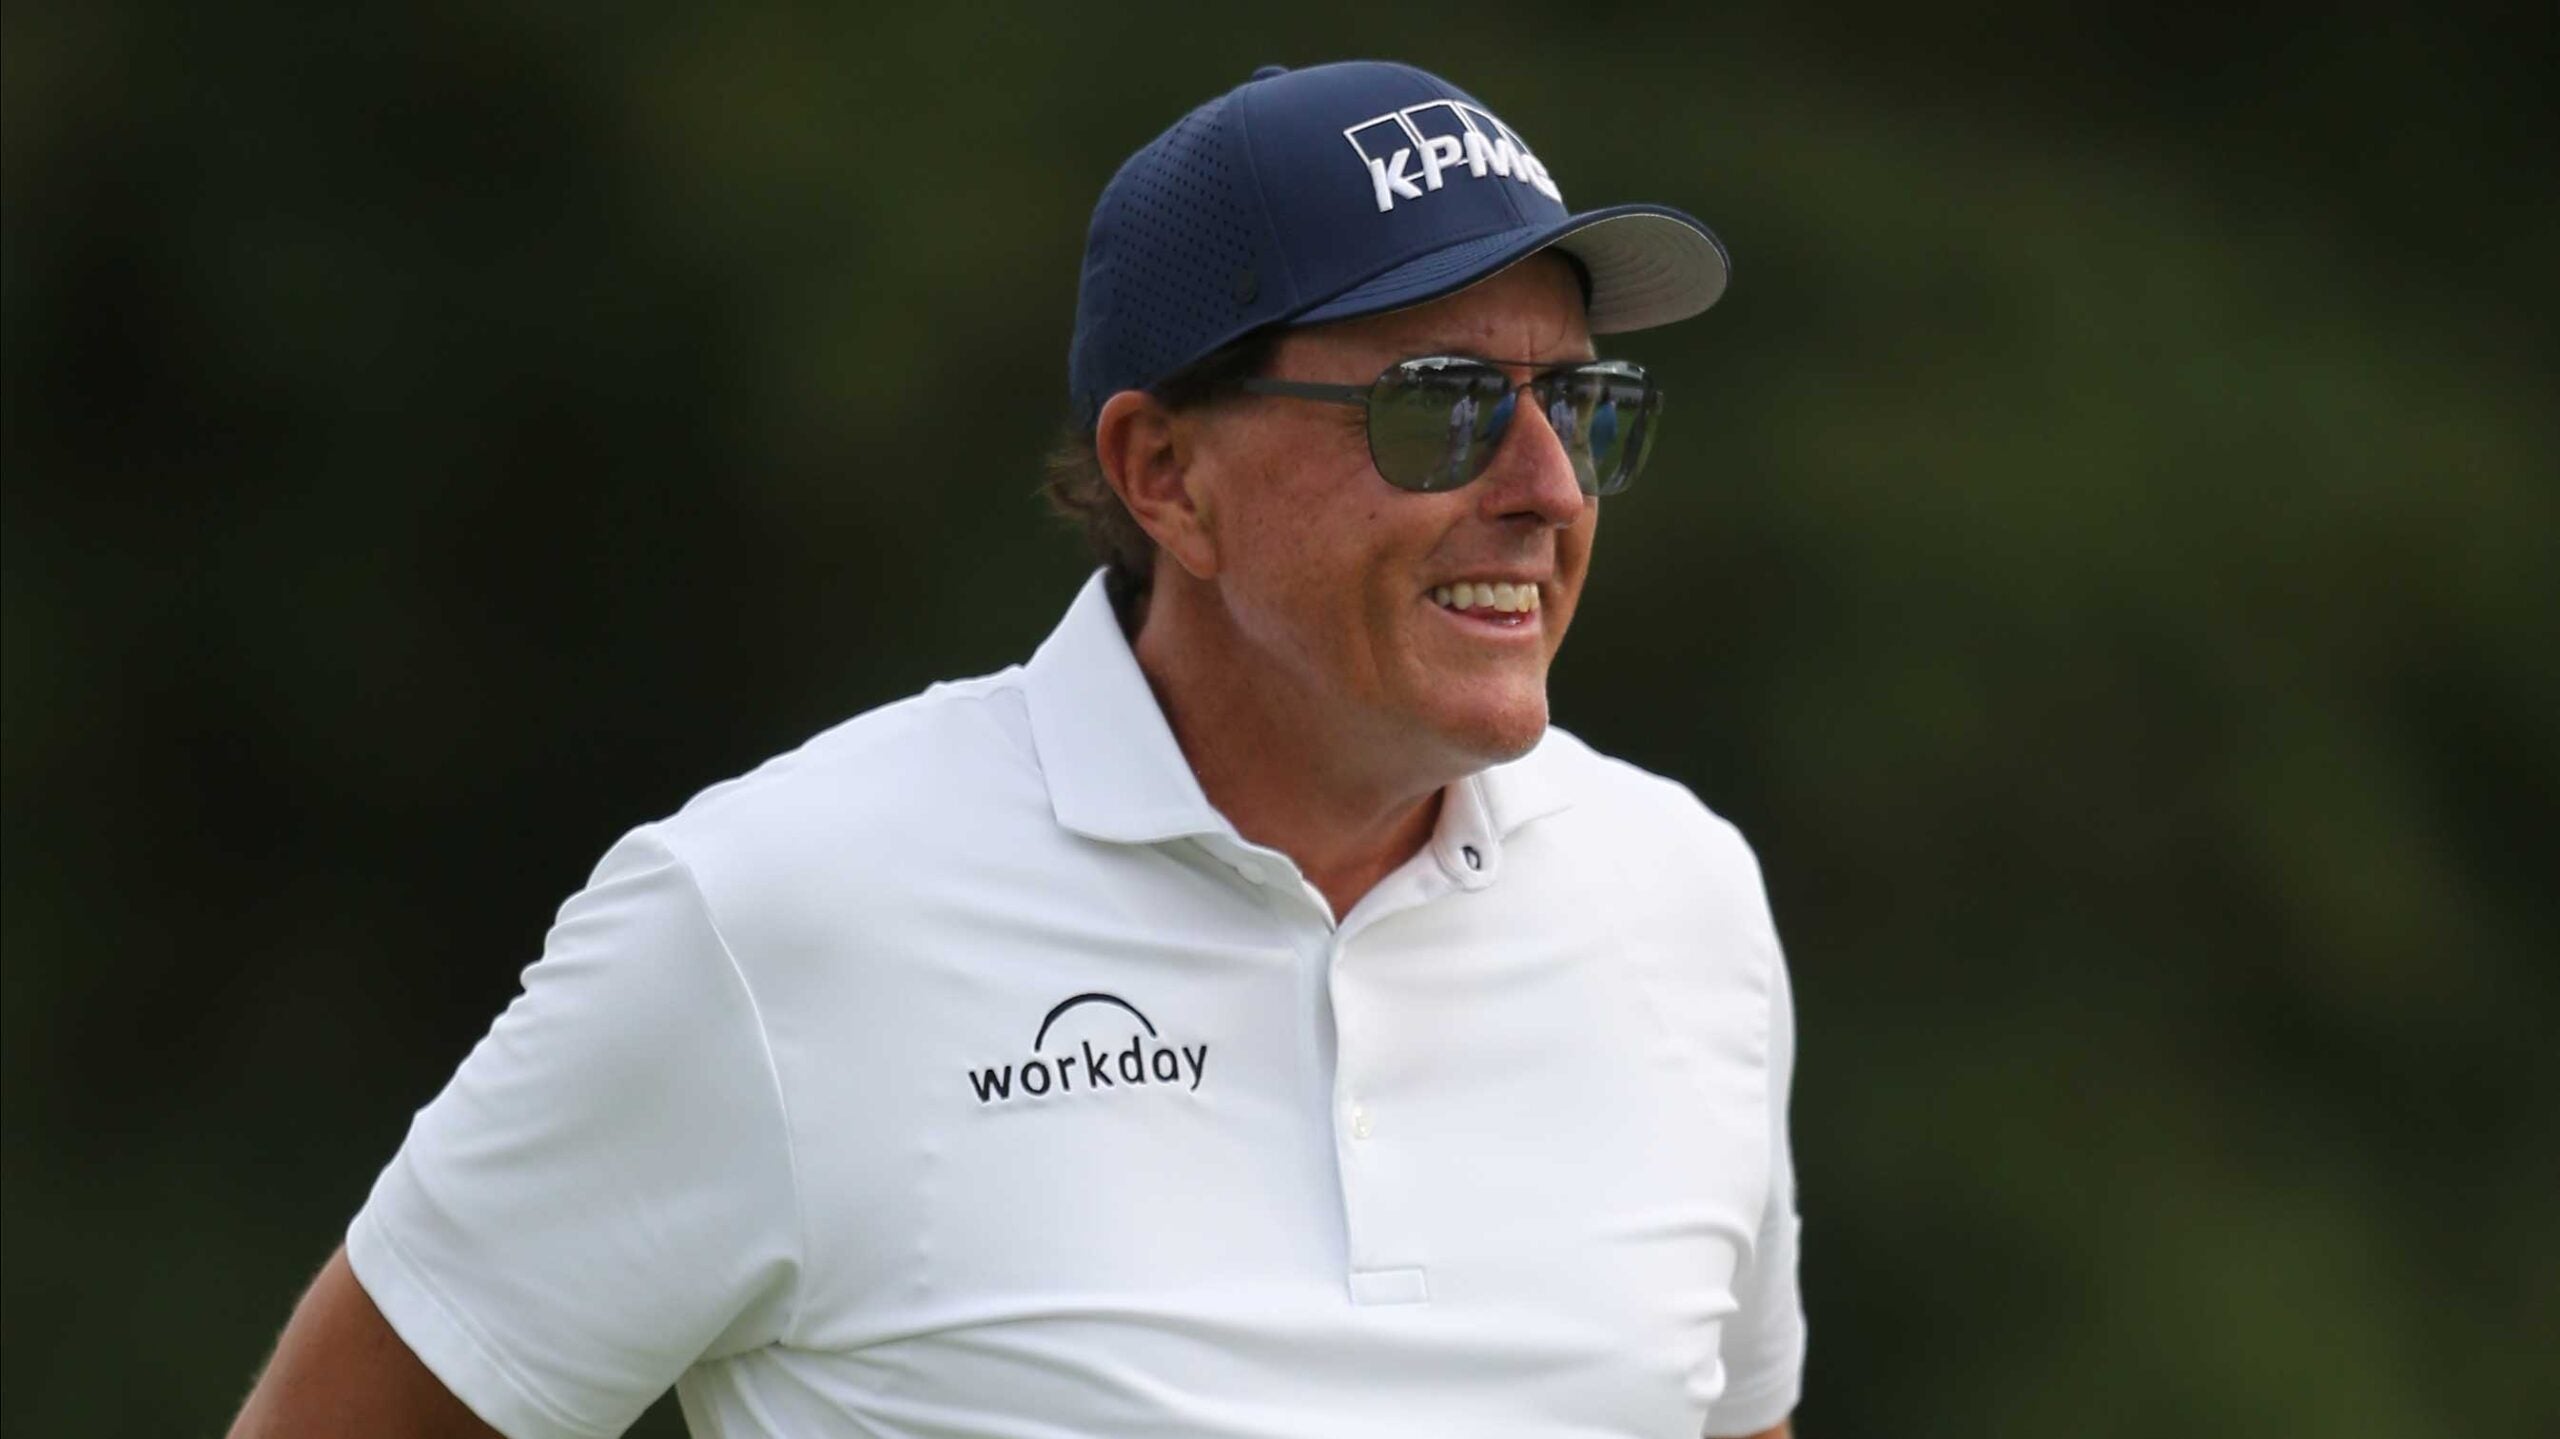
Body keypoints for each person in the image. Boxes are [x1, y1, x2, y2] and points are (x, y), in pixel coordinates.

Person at [230, 60, 1803, 1439]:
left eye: (1580, 404)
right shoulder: (771, 915)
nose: (1548, 486)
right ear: (1166, 474)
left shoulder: (1686, 902)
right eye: (1446, 405)